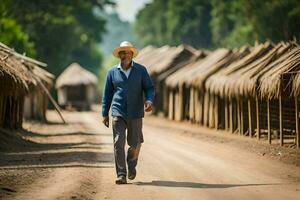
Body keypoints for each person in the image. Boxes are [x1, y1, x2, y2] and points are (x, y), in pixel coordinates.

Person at [102, 41, 155, 184]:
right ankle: (121, 174)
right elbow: (107, 94)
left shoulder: (141, 70)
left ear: (132, 54)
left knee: (135, 143)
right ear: (119, 55)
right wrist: (104, 113)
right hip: (118, 112)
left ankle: (131, 164)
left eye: (127, 52)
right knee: (118, 143)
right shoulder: (112, 72)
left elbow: (149, 88)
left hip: (136, 112)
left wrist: (149, 101)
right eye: (122, 53)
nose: (125, 55)